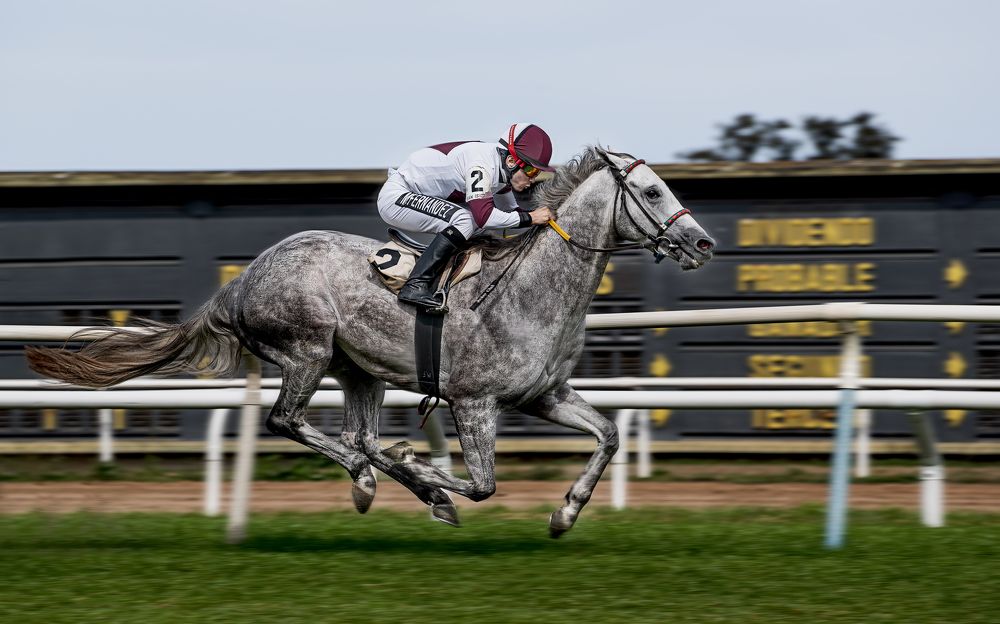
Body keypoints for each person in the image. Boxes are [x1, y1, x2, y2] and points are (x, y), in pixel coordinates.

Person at [377, 123, 557, 312]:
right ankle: (415, 285)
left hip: (413, 194)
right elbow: (485, 217)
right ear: (511, 161)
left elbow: (513, 213)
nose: (533, 179)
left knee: (476, 223)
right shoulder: (481, 165)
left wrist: (545, 221)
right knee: (467, 219)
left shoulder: (501, 171)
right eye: (531, 171)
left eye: (537, 173)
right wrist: (531, 217)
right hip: (397, 196)